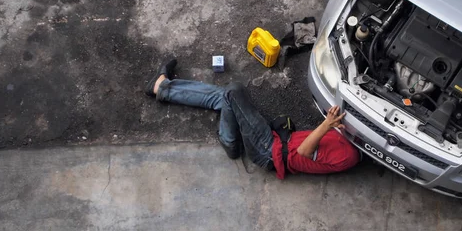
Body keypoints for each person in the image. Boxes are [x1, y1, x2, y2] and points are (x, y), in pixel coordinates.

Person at [145, 58, 361, 179]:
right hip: (275, 141)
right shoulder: (348, 139)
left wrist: (326, 125)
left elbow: (304, 152)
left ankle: (229, 140)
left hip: (268, 150)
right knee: (226, 100)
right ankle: (163, 88)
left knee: (232, 92)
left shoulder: (348, 155)